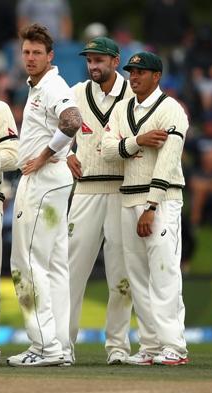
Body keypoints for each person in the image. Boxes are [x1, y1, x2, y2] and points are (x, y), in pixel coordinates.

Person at [102, 51, 189, 366]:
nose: (133, 77)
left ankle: (174, 346)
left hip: (161, 201)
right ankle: (151, 346)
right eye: (131, 72)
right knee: (137, 275)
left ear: (157, 76)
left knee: (164, 271)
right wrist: (138, 140)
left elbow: (167, 160)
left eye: (140, 72)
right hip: (128, 198)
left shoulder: (171, 111)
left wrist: (152, 204)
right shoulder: (121, 109)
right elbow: (108, 149)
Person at [7, 23, 82, 367]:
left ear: (50, 56)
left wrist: (44, 156)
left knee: (27, 264)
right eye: (26, 52)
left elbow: (72, 120)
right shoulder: (38, 87)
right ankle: (60, 346)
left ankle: (44, 346)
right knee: (53, 267)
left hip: (44, 180)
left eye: (38, 52)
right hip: (53, 181)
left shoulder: (52, 85)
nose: (31, 58)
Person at [66, 36, 134, 365]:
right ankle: (62, 345)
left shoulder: (133, 94)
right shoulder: (77, 93)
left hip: (123, 191)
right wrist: (65, 154)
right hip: (85, 191)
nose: (93, 66)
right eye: (89, 60)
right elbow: (55, 131)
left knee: (121, 275)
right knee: (70, 270)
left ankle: (118, 347)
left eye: (99, 60)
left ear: (115, 61)